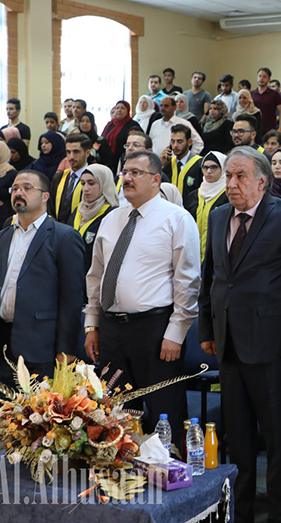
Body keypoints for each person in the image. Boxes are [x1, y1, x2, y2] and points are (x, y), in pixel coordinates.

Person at [198, 146, 281, 523]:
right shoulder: (219, 216)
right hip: (229, 343)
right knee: (238, 438)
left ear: (262, 181)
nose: (231, 184)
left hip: (272, 346)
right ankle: (240, 512)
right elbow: (212, 278)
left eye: (240, 176)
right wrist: (207, 329)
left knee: (277, 439)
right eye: (228, 176)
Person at [84, 151, 200, 433]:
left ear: (155, 180)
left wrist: (176, 332)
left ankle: (171, 460)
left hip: (155, 329)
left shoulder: (177, 218)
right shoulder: (111, 219)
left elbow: (187, 282)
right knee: (115, 414)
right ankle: (119, 461)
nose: (127, 178)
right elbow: (96, 276)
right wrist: (92, 324)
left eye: (136, 172)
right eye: (125, 172)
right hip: (111, 329)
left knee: (165, 411)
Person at [0, 169, 84, 382]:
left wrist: (66, 350)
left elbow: (72, 299)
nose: (19, 193)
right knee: (3, 402)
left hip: (41, 345)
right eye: (15, 188)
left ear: (45, 196)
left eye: (27, 188)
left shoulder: (64, 236)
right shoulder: (2, 237)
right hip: (3, 342)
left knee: (38, 404)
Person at [68, 163, 117, 274]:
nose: (85, 189)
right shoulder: (78, 210)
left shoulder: (112, 214)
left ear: (104, 184)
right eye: (83, 183)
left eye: (91, 183)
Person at [47, 133, 91, 225]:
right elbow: (50, 206)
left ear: (87, 153)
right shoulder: (59, 177)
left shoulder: (93, 179)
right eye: (68, 152)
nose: (71, 157)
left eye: (76, 152)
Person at [192, 152, 229, 263]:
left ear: (223, 168)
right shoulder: (194, 195)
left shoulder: (229, 195)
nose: (208, 171)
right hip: (193, 254)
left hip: (218, 255)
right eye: (205, 167)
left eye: (214, 167)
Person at [160, 124, 202, 214]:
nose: (175, 145)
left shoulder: (199, 164)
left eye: (180, 141)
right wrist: (160, 165)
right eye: (173, 141)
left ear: (189, 142)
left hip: (191, 213)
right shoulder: (168, 164)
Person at [251, 67, 281, 136]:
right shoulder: (252, 94)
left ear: (269, 79)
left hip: (270, 129)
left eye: (264, 76)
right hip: (255, 129)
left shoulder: (274, 94)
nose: (261, 79)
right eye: (260, 76)